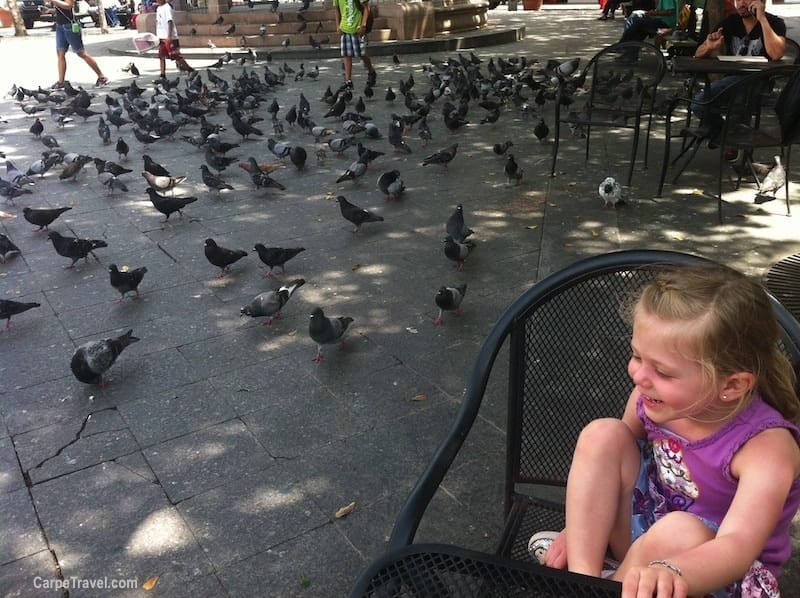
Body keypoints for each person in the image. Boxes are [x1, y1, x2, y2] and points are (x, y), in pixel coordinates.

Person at [529, 264, 800, 597]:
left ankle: (609, 582)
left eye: (663, 372)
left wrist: (668, 570)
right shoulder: (654, 398)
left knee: (679, 531)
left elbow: (737, 548)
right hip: (649, 525)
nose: (639, 376)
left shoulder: (766, 447)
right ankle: (585, 580)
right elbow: (609, 466)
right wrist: (583, 528)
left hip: (715, 573)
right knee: (603, 435)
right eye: (636, 356)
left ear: (731, 385)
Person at [691, 0, 786, 144]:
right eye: (737, 0)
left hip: (760, 83)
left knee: (740, 99)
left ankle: (733, 142)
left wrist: (762, 19)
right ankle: (725, 134)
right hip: (732, 80)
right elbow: (698, 54)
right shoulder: (730, 22)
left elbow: (776, 54)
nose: (741, 4)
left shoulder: (774, 22)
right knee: (698, 102)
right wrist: (709, 47)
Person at [49, 0, 108, 89]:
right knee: (60, 53)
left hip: (69, 26)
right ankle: (61, 82)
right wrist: (49, 11)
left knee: (81, 52)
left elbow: (69, 5)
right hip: (60, 25)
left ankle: (102, 77)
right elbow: (61, 9)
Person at [334, 0, 376, 90]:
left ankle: (371, 71)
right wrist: (338, 26)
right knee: (346, 54)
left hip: (357, 29)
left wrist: (363, 25)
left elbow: (366, 8)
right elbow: (337, 9)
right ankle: (348, 81)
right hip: (344, 28)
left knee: (361, 54)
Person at [155, 0, 194, 79]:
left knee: (176, 55)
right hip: (162, 37)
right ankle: (162, 75)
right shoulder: (158, 8)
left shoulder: (167, 7)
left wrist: (169, 36)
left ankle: (190, 69)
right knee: (161, 56)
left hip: (170, 37)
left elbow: (170, 21)